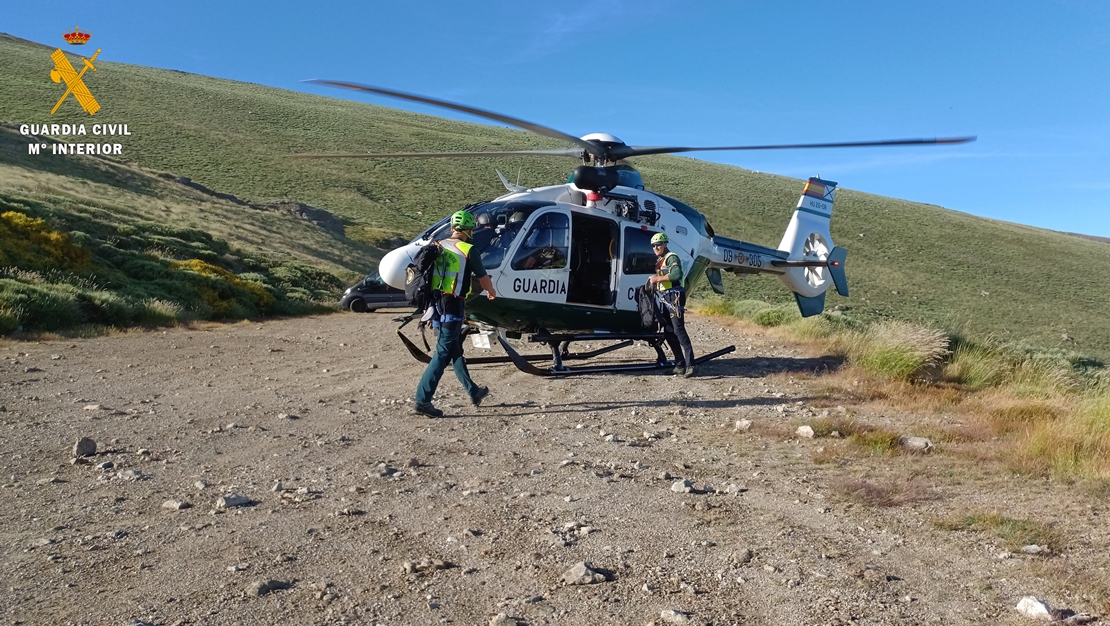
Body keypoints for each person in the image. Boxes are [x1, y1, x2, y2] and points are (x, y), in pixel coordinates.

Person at [413, 211, 497, 418]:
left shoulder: (438, 246)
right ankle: (422, 400)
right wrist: (492, 292)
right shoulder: (468, 249)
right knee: (443, 352)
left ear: (452, 228)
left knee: (453, 349)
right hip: (453, 306)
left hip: (435, 306)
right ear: (469, 230)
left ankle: (473, 391)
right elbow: (483, 278)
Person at [647, 232, 695, 377]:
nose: (656, 247)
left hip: (674, 296)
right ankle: (679, 364)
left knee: (678, 329)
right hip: (666, 297)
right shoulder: (660, 260)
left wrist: (657, 279)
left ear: (665, 244)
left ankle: (691, 365)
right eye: (653, 245)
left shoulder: (671, 257)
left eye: (658, 245)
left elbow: (676, 275)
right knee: (668, 331)